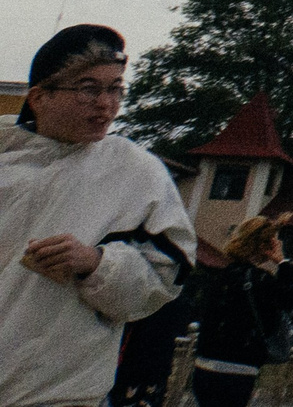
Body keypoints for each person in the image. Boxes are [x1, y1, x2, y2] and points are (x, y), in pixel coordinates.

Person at [0, 25, 195, 407]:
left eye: (116, 88)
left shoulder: (133, 172)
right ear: (39, 97)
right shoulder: (6, 164)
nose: (106, 103)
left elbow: (167, 277)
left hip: (59, 394)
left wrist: (96, 264)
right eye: (89, 89)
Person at [187, 216, 293, 407]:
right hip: (239, 367)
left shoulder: (218, 276)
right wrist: (282, 262)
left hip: (204, 364)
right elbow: (292, 298)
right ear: (265, 245)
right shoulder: (260, 280)